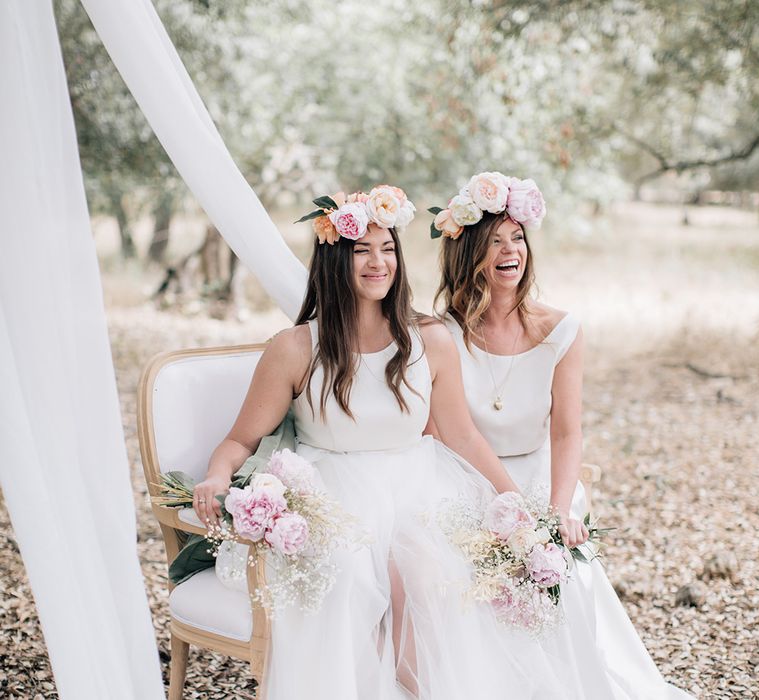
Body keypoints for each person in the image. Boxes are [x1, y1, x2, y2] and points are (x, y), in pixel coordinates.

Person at [192, 185, 566, 700]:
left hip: (418, 487)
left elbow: (460, 435)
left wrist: (515, 505)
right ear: (334, 259)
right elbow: (239, 440)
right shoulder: (295, 348)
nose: (378, 262)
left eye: (388, 249)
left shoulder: (430, 340)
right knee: (350, 573)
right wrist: (217, 475)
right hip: (333, 496)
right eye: (362, 250)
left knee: (429, 569)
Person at [428, 171, 693, 699]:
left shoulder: (562, 330)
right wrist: (509, 510)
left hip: (538, 476)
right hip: (460, 475)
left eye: (517, 237)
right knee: (457, 572)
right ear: (468, 254)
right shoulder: (440, 333)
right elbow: (448, 433)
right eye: (494, 241)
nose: (510, 251)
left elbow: (567, 433)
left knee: (555, 567)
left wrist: (557, 511)